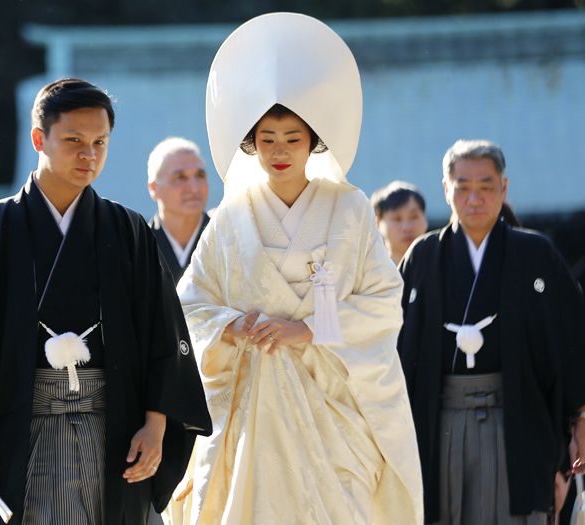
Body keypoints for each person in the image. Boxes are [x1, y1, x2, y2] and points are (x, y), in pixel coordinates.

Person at [0, 78, 212, 525]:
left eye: (100, 142)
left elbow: (162, 331)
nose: (89, 155)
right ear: (39, 139)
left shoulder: (127, 230)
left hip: (114, 425)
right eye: (74, 140)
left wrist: (156, 426)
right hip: (19, 426)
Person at [174, 13, 422, 524]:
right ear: (251, 143)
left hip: (331, 402)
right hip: (255, 407)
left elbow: (381, 300)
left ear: (313, 141)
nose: (280, 150)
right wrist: (235, 325)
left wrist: (306, 329)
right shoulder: (228, 219)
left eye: (292, 137)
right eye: (266, 138)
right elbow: (191, 301)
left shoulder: (350, 209)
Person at [397, 139, 585, 523]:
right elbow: (391, 346)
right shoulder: (423, 257)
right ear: (445, 188)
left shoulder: (535, 254)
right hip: (440, 418)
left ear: (504, 188)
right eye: (462, 186)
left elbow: (571, 339)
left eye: (486, 186)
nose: (474, 198)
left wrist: (583, 419)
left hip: (519, 417)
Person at [147, 137, 210, 283]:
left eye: (200, 175)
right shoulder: (138, 248)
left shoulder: (226, 240)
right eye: (180, 177)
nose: (194, 188)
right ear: (153, 188)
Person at [371, 181, 428, 265]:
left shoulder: (442, 267)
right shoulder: (368, 273)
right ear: (378, 223)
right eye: (397, 219)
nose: (406, 227)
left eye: (414, 217)